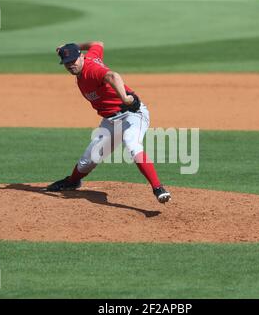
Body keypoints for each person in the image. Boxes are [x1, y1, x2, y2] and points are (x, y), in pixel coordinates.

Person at [46, 41, 171, 203]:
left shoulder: (91, 70)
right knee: (87, 161)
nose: (70, 65)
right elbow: (97, 44)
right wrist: (73, 46)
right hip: (110, 121)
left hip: (132, 114)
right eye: (66, 63)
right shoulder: (90, 56)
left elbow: (112, 75)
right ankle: (72, 181)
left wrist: (125, 98)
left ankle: (158, 187)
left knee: (132, 143)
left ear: (81, 57)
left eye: (73, 61)